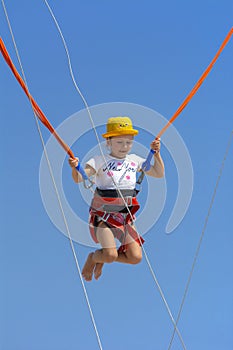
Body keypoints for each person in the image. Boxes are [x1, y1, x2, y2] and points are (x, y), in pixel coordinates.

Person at [69, 117, 164, 281]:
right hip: (104, 216)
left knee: (135, 257)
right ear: (108, 142)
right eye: (119, 142)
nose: (124, 147)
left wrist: (157, 154)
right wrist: (74, 167)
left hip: (125, 217)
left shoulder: (135, 160)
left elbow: (158, 173)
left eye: (128, 142)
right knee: (110, 254)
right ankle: (94, 258)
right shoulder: (99, 161)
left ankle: (101, 257)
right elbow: (79, 178)